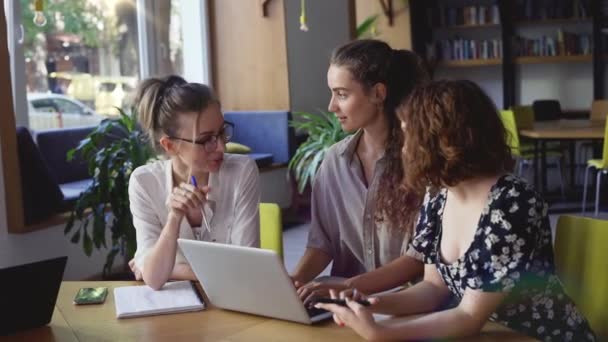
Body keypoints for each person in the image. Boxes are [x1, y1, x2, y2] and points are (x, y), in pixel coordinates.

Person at [315, 80, 597, 341]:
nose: (401, 147)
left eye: (407, 134)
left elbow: (469, 316)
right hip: (488, 334)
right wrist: (366, 302)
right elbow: (433, 289)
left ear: (440, 139)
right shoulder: (438, 194)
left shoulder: (513, 203)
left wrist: (380, 333)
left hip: (535, 337)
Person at [291, 39, 429, 303]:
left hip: (408, 304)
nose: (332, 106)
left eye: (342, 94)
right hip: (343, 304)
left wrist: (351, 286)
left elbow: (420, 257)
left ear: (378, 93)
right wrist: (294, 282)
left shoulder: (421, 163)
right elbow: (322, 244)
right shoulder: (334, 162)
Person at [128, 75, 260, 290]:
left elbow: (246, 266)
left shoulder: (241, 172)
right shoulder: (144, 183)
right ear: (170, 146)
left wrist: (169, 268)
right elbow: (154, 279)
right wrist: (173, 219)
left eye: (221, 132)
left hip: (234, 299)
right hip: (175, 309)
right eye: (206, 139)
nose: (221, 147)